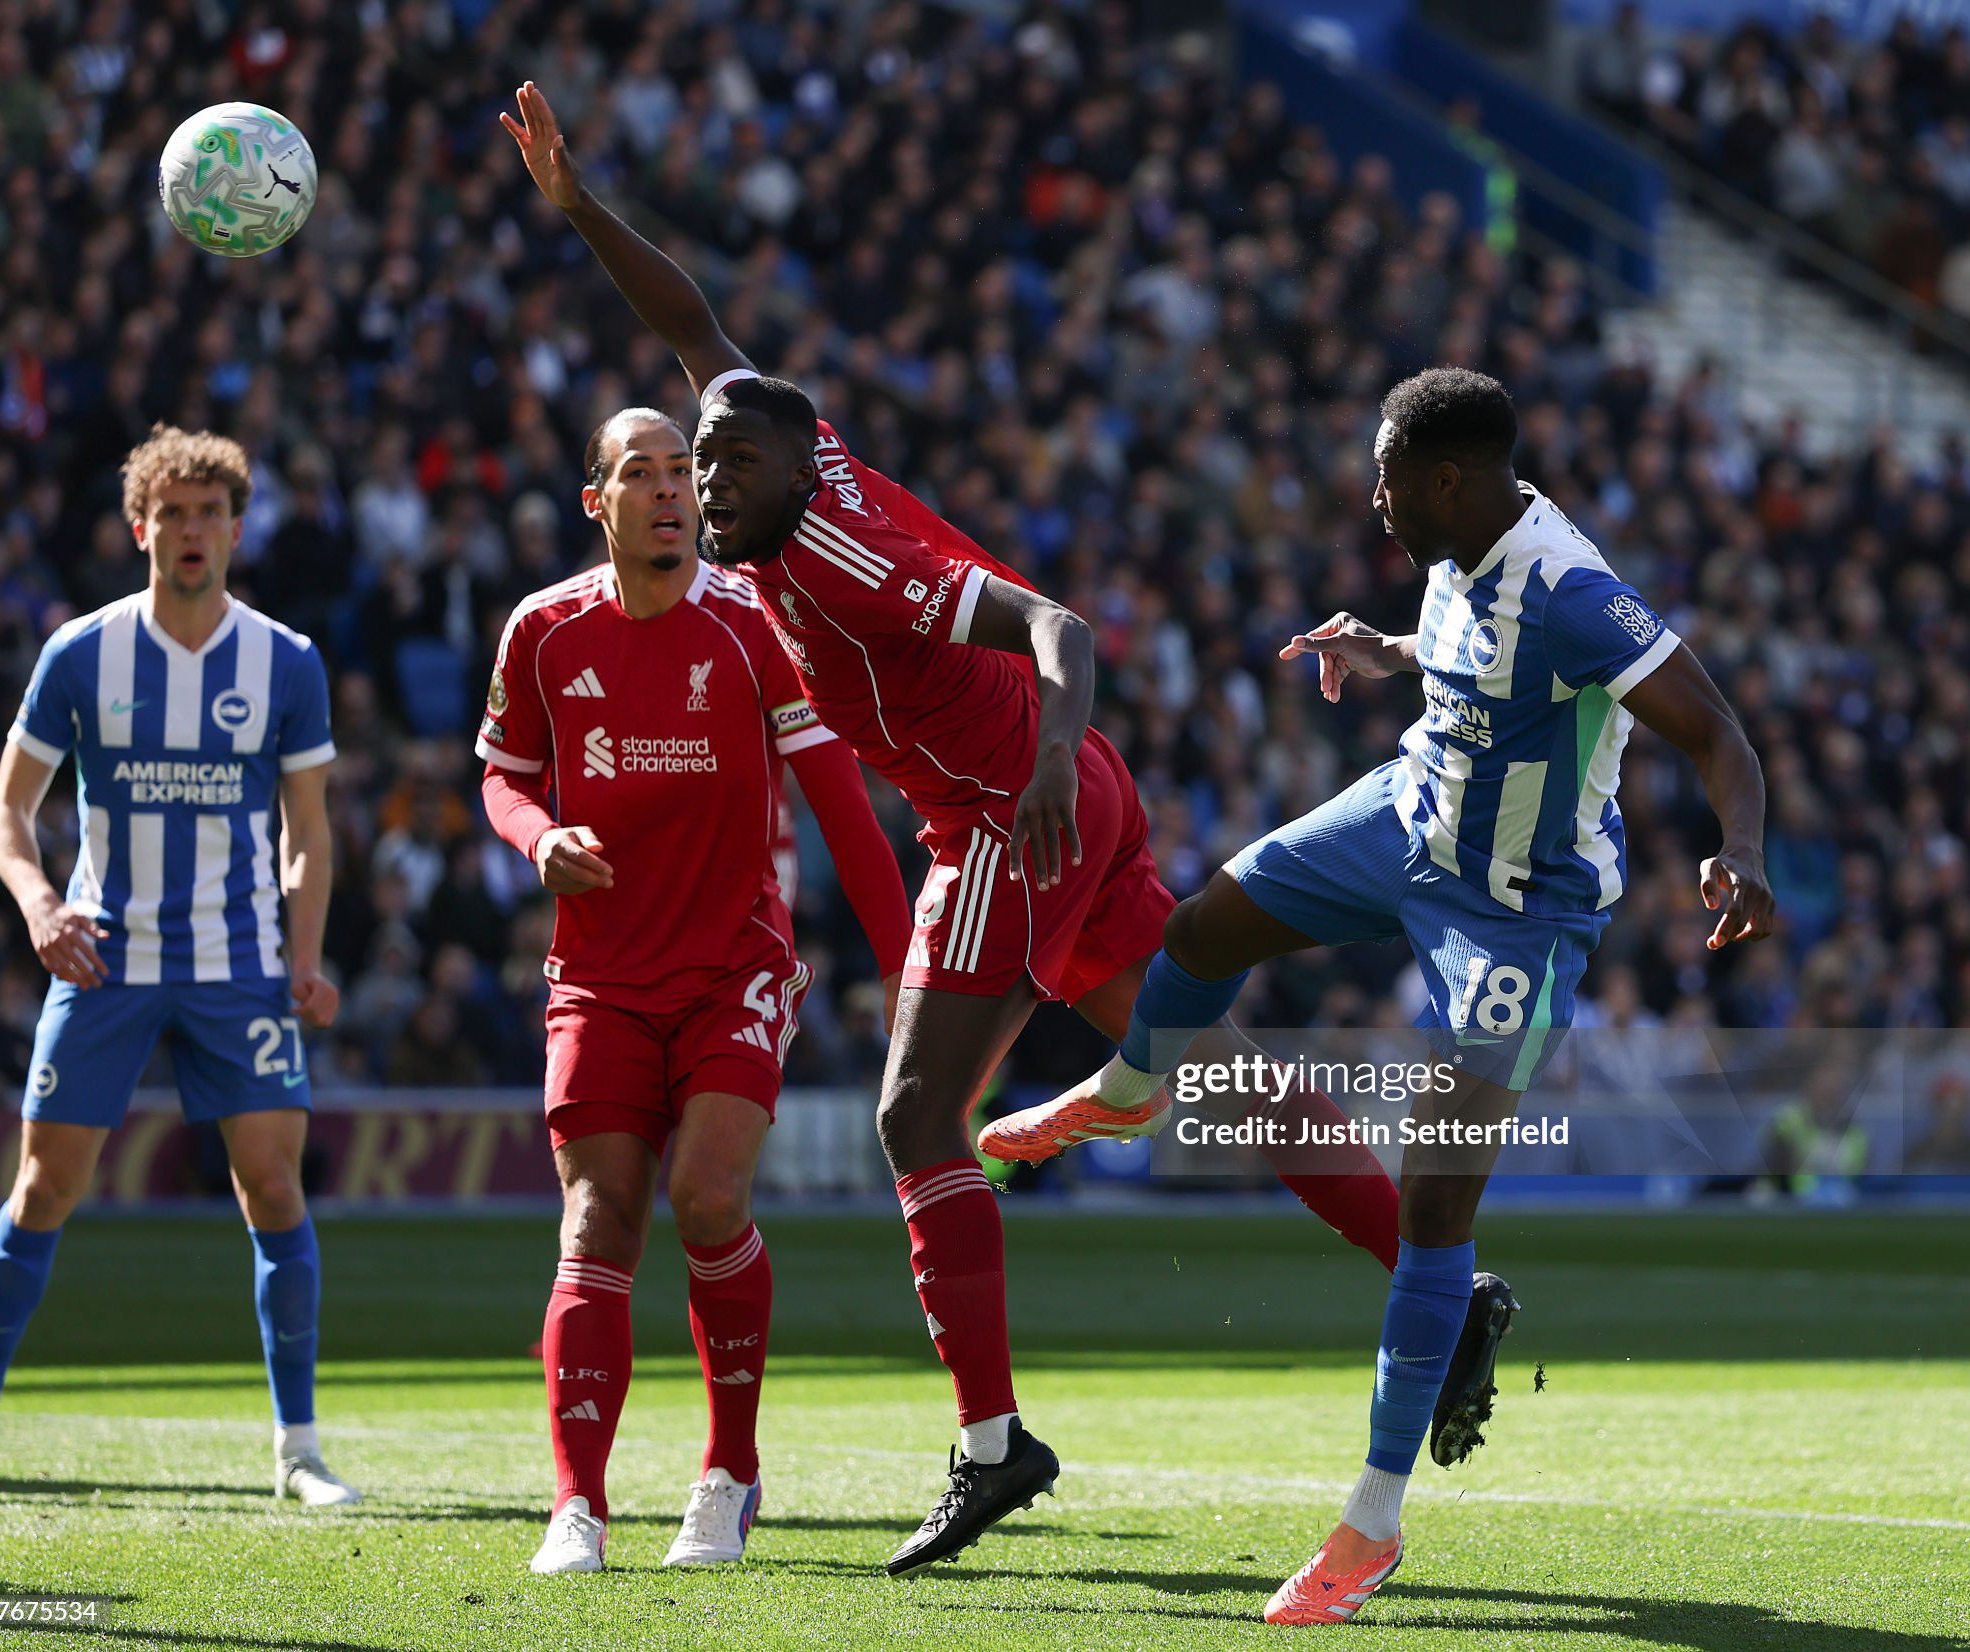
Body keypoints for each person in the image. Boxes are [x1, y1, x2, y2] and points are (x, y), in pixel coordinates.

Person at [499, 83, 1507, 1575]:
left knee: (918, 1116)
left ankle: (990, 1447)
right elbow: (693, 325)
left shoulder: (843, 555)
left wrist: (1033, 774)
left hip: (1010, 817)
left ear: (795, 471)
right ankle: (1443, 1277)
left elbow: (1057, 624)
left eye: (724, 469)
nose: (705, 489)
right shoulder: (773, 456)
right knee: (1210, 1070)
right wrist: (582, 210)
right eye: (697, 467)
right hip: (1059, 799)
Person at [1021, 368, 1775, 1624]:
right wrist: (1389, 647)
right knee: (1202, 924)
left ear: (1447, 479)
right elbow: (1474, 643)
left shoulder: (1572, 591)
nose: (1371, 498)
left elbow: (1717, 734)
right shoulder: (1455, 541)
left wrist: (1738, 848)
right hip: (1405, 815)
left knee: (1430, 1199)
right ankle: (1131, 1088)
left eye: (1386, 477)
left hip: (1516, 908)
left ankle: (1369, 1525)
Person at [478, 406, 912, 1574]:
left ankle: (728, 1471)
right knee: (596, 1219)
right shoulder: (541, 631)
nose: (672, 488)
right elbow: (504, 778)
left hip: (734, 967)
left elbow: (840, 804)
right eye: (643, 471)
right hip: (597, 977)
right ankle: (577, 1502)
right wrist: (535, 837)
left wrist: (900, 966)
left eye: (683, 469)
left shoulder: (752, 624)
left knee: (707, 1196)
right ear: (597, 501)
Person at [0, 426, 358, 1507]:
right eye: (173, 513)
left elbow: (308, 830)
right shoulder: (81, 653)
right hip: (104, 956)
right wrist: (40, 905)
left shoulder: (286, 660)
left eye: (210, 513)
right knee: (43, 1187)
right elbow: (8, 811)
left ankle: (299, 1450)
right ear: (139, 528)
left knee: (273, 1187)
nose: (192, 530)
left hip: (237, 961)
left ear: (237, 529)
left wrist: (305, 957)